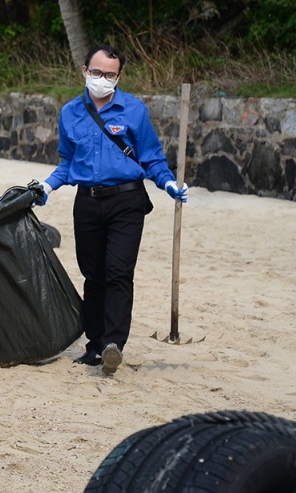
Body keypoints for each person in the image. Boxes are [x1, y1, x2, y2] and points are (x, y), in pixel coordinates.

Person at [35, 45, 188, 375]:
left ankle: (113, 344)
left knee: (118, 271)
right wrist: (46, 186)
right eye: (96, 72)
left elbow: (151, 158)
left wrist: (168, 183)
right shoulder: (70, 112)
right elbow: (67, 162)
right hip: (87, 202)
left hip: (127, 202)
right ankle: (94, 345)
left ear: (119, 76)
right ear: (84, 70)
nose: (102, 79)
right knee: (94, 275)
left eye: (109, 74)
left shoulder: (134, 110)